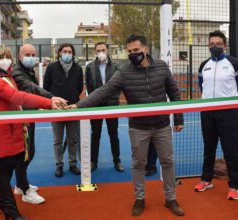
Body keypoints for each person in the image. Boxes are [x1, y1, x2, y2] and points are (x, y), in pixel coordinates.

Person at [66, 34, 185, 217]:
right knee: (138, 164)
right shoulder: (123, 71)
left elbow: (174, 93)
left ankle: (171, 198)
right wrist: (79, 105)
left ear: (145, 49)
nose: (132, 54)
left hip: (162, 125)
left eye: (136, 50)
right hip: (138, 126)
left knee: (167, 161)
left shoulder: (161, 67)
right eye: (129, 51)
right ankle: (139, 198)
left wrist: (178, 118)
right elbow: (104, 91)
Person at [0, 45, 65, 220]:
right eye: (1, 56)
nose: (5, 59)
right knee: (3, 172)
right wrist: (48, 101)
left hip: (14, 128)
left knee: (8, 169)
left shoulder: (5, 76)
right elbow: (17, 97)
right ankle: (11, 210)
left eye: (7, 56)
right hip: (3, 132)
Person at [195, 30, 238, 200]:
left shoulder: (235, 64)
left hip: (229, 114)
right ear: (208, 46)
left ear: (225, 45)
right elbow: (202, 87)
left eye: (218, 44)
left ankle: (234, 185)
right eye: (212, 44)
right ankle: (206, 179)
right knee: (208, 148)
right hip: (207, 113)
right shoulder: (204, 65)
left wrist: (230, 104)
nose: (215, 47)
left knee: (230, 149)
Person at [11, 44, 62, 204]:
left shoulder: (28, 70)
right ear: (19, 56)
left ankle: (20, 184)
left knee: (28, 152)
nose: (31, 57)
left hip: (28, 115)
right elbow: (32, 88)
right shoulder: (17, 72)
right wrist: (51, 98)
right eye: (27, 54)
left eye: (33, 54)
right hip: (21, 118)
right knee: (25, 153)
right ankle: (25, 190)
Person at [43, 43, 84, 177]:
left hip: (73, 108)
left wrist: (72, 99)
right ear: (60, 53)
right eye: (65, 51)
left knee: (73, 139)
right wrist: (55, 101)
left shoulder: (78, 68)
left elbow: (79, 88)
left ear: (73, 54)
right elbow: (46, 87)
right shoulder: (51, 67)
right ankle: (59, 165)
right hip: (56, 110)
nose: (67, 54)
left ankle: (73, 164)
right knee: (58, 140)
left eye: (70, 52)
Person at [85, 42, 123, 172]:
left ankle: (117, 161)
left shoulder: (116, 67)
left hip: (112, 105)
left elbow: (119, 86)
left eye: (103, 50)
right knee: (95, 134)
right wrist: (94, 99)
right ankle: (93, 162)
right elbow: (89, 87)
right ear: (95, 52)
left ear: (107, 51)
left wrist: (113, 97)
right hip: (96, 106)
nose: (101, 52)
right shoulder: (90, 67)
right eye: (98, 50)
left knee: (114, 134)